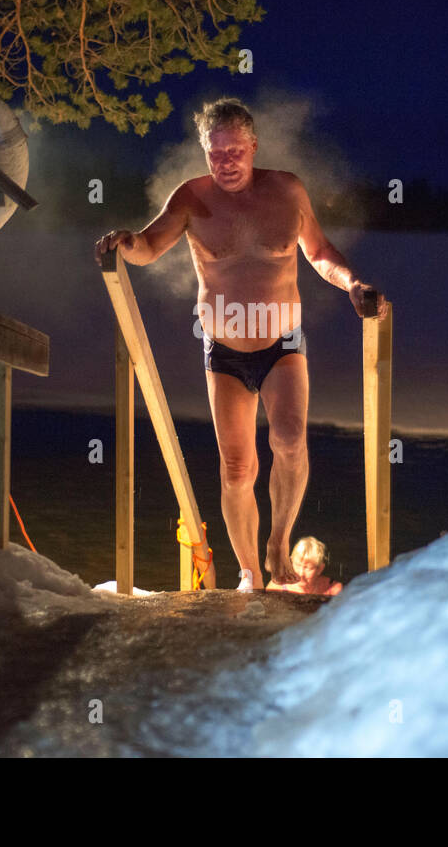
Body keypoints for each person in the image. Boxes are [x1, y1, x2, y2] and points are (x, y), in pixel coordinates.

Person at [94, 98, 386, 590]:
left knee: (290, 439)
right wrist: (125, 240)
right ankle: (249, 571)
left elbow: (318, 252)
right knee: (237, 468)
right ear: (205, 151)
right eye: (215, 152)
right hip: (224, 351)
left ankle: (278, 541)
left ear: (253, 146)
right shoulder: (190, 197)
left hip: (282, 343)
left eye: (235, 151)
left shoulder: (286, 190)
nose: (226, 162)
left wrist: (353, 283)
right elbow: (147, 247)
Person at [267, 537, 343, 595]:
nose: (301, 574)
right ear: (290, 563)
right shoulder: (276, 587)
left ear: (320, 569)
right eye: (297, 565)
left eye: (308, 568)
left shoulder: (333, 589)